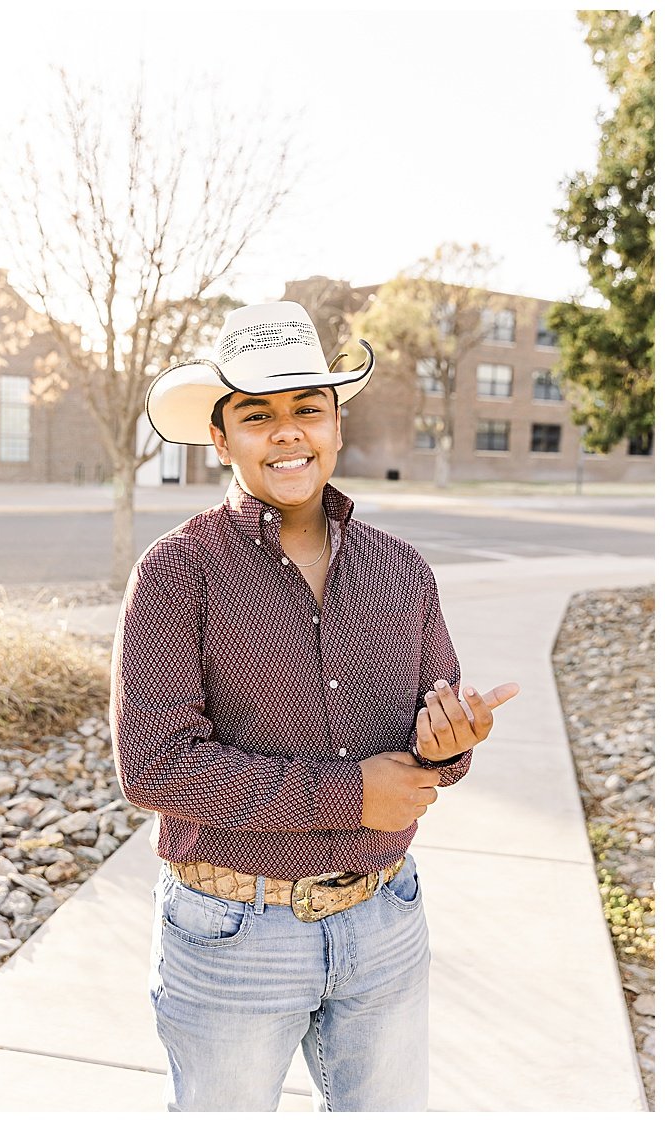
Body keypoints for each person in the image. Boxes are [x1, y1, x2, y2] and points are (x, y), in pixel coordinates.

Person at [110, 302, 519, 1111]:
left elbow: (429, 745)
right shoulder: (176, 573)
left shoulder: (404, 572)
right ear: (222, 440)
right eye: (259, 416)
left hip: (386, 918)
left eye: (308, 410)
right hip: (232, 930)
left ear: (335, 424)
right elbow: (153, 764)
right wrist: (350, 793)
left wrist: (452, 743)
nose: (288, 433)